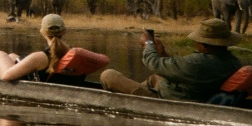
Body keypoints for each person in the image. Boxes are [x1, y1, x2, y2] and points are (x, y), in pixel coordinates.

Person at [100, 18, 242, 101]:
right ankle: (134, 93)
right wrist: (163, 54)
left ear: (205, 46)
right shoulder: (232, 61)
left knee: (108, 75)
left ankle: (132, 98)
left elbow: (153, 62)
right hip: (189, 91)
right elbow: (182, 70)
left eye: (198, 41)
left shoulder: (197, 63)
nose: (196, 43)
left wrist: (148, 43)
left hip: (169, 100)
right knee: (156, 76)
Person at [0, 13, 79, 83]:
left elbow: (6, 76)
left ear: (43, 32)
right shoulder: (72, 53)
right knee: (12, 56)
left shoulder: (40, 57)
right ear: (64, 31)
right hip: (51, 82)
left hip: (30, 87)